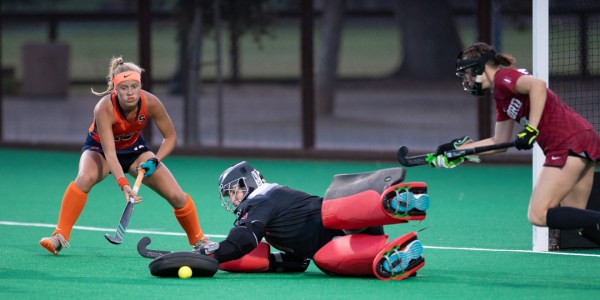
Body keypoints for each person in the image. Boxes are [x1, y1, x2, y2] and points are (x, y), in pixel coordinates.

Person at [39, 56, 214, 255]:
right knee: (84, 178)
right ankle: (59, 236)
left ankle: (200, 240)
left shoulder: (151, 102)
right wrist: (123, 184)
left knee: (176, 194)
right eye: (124, 88)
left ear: (140, 84)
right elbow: (110, 152)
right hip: (100, 150)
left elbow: (170, 137)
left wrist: (155, 160)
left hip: (134, 150)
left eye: (134, 86)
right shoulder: (104, 108)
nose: (130, 92)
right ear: (115, 88)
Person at [431, 42, 600, 243]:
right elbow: (499, 142)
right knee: (582, 223)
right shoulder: (501, 96)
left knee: (537, 214)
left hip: (566, 142)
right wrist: (459, 151)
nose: (467, 79)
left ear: (480, 67)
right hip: (582, 138)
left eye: (467, 72)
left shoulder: (504, 78)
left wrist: (531, 128)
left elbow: (538, 86)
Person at [197, 161, 429, 281]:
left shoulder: (259, 200)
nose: (233, 198)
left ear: (248, 183)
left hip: (345, 216)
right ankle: (395, 255)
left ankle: (386, 202)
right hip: (347, 233)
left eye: (233, 191)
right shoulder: (275, 200)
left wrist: (216, 253)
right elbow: (298, 261)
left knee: (332, 218)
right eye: (229, 195)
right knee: (325, 257)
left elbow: (244, 239)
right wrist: (271, 262)